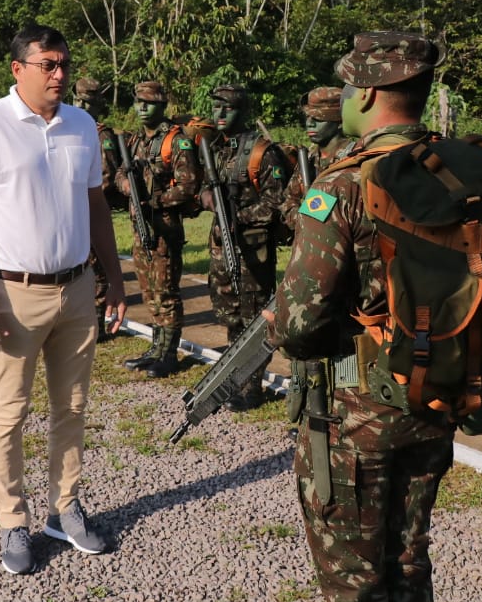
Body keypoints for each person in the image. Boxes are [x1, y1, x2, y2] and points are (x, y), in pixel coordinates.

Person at [267, 31, 450, 602]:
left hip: (356, 408)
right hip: (435, 395)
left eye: (347, 86)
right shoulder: (458, 174)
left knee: (355, 576)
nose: (342, 96)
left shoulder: (341, 184)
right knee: (407, 555)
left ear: (369, 92)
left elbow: (298, 319)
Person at [0, 25, 127, 576]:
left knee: (71, 408)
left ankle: (64, 509)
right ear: (17, 69)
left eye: (64, 64)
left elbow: (96, 207)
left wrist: (115, 279)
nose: (59, 74)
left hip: (74, 289)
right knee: (10, 412)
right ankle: (12, 522)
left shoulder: (81, 127)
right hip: (12, 293)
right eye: (47, 64)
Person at [202, 83, 288, 407]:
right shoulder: (218, 148)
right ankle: (235, 377)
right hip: (222, 249)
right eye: (217, 107)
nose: (220, 114)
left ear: (243, 111)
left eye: (229, 108)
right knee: (231, 317)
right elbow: (201, 190)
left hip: (252, 252)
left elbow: (277, 203)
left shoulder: (262, 153)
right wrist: (207, 198)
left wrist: (240, 216)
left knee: (254, 319)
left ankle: (252, 386)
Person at [114, 81, 201, 377]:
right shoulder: (136, 140)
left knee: (166, 291)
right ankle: (155, 347)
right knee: (149, 290)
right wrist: (127, 186)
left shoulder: (176, 141)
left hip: (164, 227)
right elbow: (119, 174)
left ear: (162, 106)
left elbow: (188, 186)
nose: (142, 107)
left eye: (148, 103)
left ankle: (169, 353)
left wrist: (155, 201)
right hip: (140, 226)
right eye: (138, 102)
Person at [71, 76, 122, 339]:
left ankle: (99, 323)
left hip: (91, 210)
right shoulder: (71, 130)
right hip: (73, 214)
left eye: (87, 103)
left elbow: (106, 177)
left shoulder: (101, 135)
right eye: (78, 100)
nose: (80, 106)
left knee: (98, 266)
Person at [279, 86, 353, 231]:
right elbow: (288, 200)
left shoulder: (350, 158)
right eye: (307, 117)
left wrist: (309, 218)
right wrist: (303, 220)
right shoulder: (309, 157)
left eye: (318, 118)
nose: (309, 123)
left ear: (338, 121)